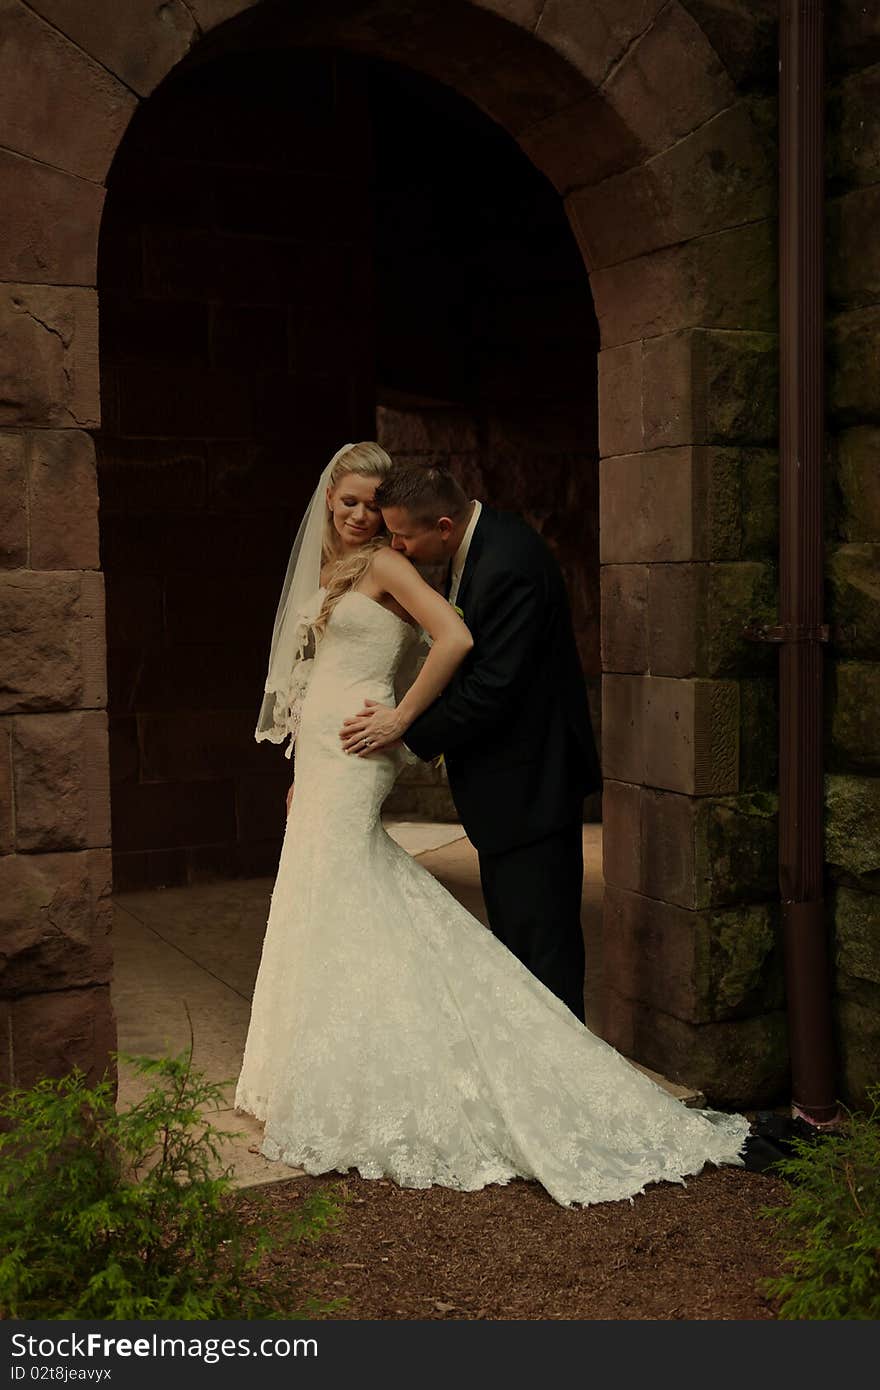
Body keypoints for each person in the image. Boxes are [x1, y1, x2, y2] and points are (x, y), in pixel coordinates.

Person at [236, 442, 749, 1208]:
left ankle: (550, 1073)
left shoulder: (412, 565)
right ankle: (311, 1062)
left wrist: (404, 725)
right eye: (347, 501)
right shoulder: (357, 566)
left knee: (387, 895)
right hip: (329, 758)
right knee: (322, 893)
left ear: (417, 517)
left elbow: (463, 648)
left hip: (405, 752)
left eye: (374, 507)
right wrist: (302, 769)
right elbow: (321, 671)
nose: (364, 519)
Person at [339, 465, 599, 1022]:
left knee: (542, 944)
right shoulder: (479, 548)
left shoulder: (508, 562)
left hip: (534, 784)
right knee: (518, 940)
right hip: (508, 788)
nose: (397, 546)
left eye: (403, 536)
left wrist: (404, 732)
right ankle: (539, 1063)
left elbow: (492, 687)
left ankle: (568, 1077)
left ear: (443, 525)